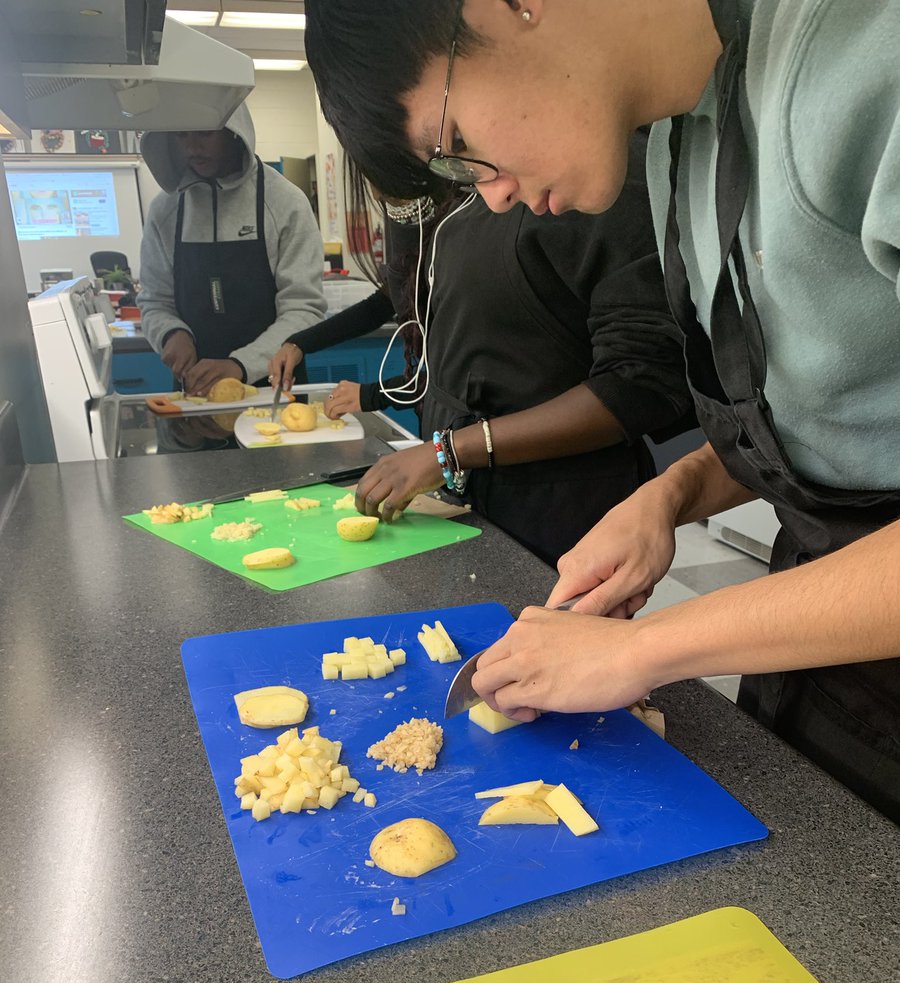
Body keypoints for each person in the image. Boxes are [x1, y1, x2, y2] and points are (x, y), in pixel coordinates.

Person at [304, 0, 900, 820]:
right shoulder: (674, 142)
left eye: (459, 146)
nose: (495, 195)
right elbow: (842, 413)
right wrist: (671, 497)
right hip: (827, 650)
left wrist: (646, 649)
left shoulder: (871, 53)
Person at [271, 151, 695, 566]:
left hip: (558, 505)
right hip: (472, 491)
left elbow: (638, 385)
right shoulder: (459, 211)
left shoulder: (604, 189)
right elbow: (426, 334)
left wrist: (449, 450)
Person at [138, 104, 326, 451]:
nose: (192, 147)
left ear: (233, 132)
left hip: (275, 402)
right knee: (192, 501)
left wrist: (240, 365)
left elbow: (304, 310)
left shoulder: (284, 203)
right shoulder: (166, 210)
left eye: (204, 134)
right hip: (193, 408)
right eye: (182, 136)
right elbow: (154, 301)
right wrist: (170, 333)